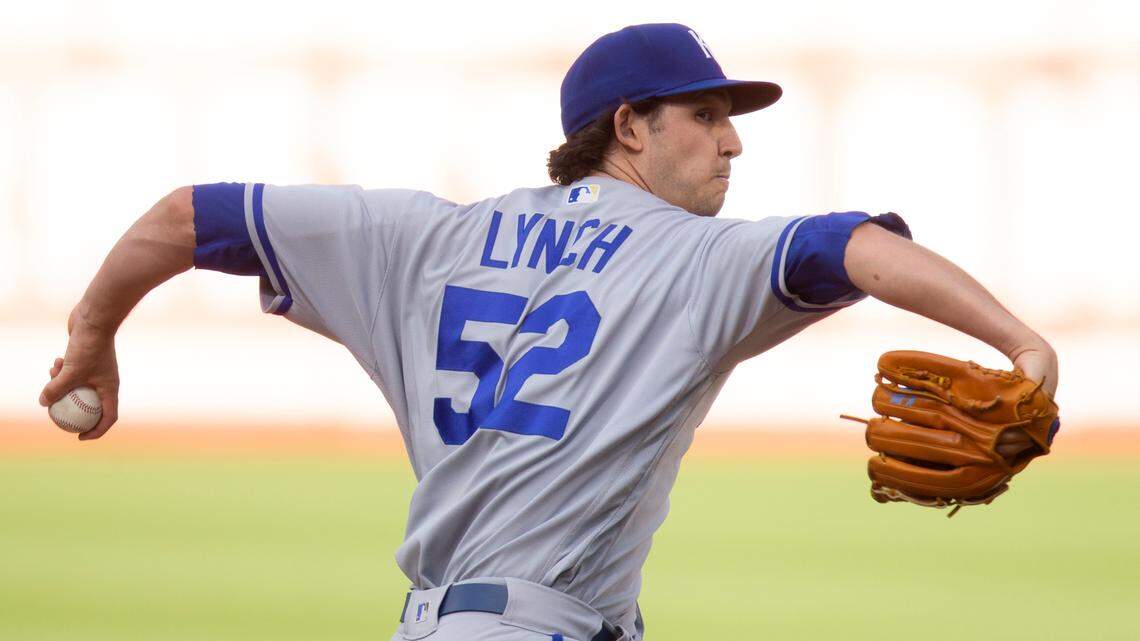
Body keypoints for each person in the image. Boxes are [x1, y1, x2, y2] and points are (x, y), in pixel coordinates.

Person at [38, 23, 1057, 641]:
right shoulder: (692, 258)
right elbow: (856, 248)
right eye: (703, 114)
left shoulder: (420, 238)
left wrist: (92, 341)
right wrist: (1023, 346)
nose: (732, 138)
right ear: (629, 127)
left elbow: (182, 217)